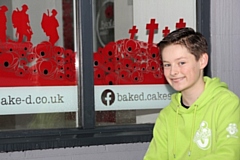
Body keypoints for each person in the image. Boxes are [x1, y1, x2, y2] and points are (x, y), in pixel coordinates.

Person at [143, 27, 240, 160]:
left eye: (181, 63)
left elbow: (230, 154)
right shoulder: (166, 116)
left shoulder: (227, 104)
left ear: (202, 61)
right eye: (167, 65)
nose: (173, 72)